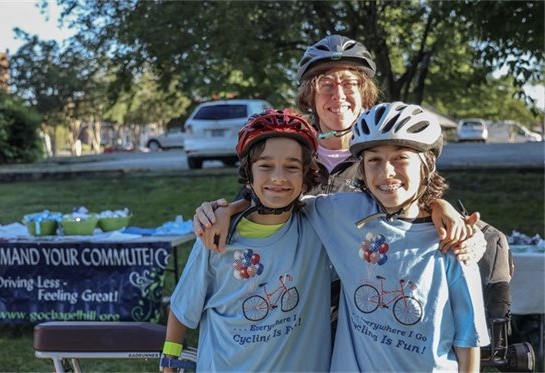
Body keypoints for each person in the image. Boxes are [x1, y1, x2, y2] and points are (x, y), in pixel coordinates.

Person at [198, 102, 491, 371]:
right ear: (361, 168)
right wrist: (229, 209)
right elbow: (283, 201)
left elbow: (469, 338)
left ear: (426, 166)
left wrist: (442, 205)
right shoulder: (344, 213)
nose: (386, 172)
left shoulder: (452, 240)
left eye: (401, 158)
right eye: (374, 160)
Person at [195, 34, 480, 255]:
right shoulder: (292, 151)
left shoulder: (381, 153)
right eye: (326, 84)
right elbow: (259, 197)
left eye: (349, 83)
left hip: (366, 288)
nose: (338, 94)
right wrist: (225, 211)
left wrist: (440, 206)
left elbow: (409, 200)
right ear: (310, 95)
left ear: (364, 92)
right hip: (302, 288)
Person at [160, 108, 334, 372]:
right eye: (265, 166)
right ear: (248, 176)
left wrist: (232, 207)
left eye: (291, 167)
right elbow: (182, 308)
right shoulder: (216, 236)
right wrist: (168, 362)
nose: (278, 176)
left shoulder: (320, 228)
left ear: (305, 177)